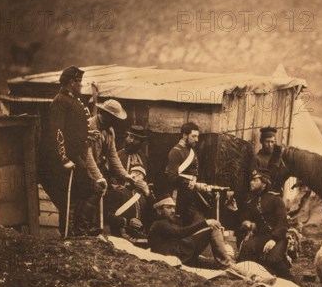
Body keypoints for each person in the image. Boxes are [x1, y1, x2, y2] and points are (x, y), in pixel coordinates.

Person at [42, 65, 100, 237]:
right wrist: (63, 158)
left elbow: (72, 129)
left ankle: (77, 230)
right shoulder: (60, 101)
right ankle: (68, 233)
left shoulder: (74, 100)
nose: (81, 85)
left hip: (76, 157)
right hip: (66, 159)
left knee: (89, 189)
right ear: (70, 83)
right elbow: (57, 132)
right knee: (71, 196)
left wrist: (87, 134)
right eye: (78, 81)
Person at [87, 99, 147, 227]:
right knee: (88, 198)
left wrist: (125, 175)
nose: (116, 121)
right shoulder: (89, 126)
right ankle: (82, 229)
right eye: (114, 117)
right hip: (84, 167)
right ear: (105, 114)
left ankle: (93, 228)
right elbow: (88, 156)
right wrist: (99, 177)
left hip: (96, 169)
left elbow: (113, 156)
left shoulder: (110, 131)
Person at [148, 196, 234, 268]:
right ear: (159, 210)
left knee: (215, 264)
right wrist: (205, 223)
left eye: (173, 207)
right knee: (213, 228)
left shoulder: (165, 223)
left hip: (184, 256)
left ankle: (227, 261)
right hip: (181, 256)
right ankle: (227, 261)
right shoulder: (159, 224)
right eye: (168, 207)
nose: (173, 211)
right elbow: (181, 233)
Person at [238, 168, 292, 280]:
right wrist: (247, 223)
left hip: (279, 238)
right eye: (251, 180)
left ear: (264, 183)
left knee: (273, 260)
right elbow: (245, 219)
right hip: (262, 237)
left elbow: (283, 222)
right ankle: (252, 279)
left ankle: (291, 282)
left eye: (255, 180)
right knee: (246, 248)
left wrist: (274, 239)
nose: (251, 182)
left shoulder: (275, 199)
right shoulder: (252, 202)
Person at [164, 122, 211, 226]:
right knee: (179, 225)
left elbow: (197, 173)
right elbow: (172, 178)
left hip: (192, 195)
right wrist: (189, 183)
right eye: (193, 136)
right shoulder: (175, 152)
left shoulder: (192, 151)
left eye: (197, 136)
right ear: (184, 135)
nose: (197, 140)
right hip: (179, 196)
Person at [251, 127, 288, 194]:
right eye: (267, 142)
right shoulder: (257, 159)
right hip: (264, 195)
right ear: (261, 141)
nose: (270, 145)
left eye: (272, 142)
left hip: (279, 193)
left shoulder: (279, 158)